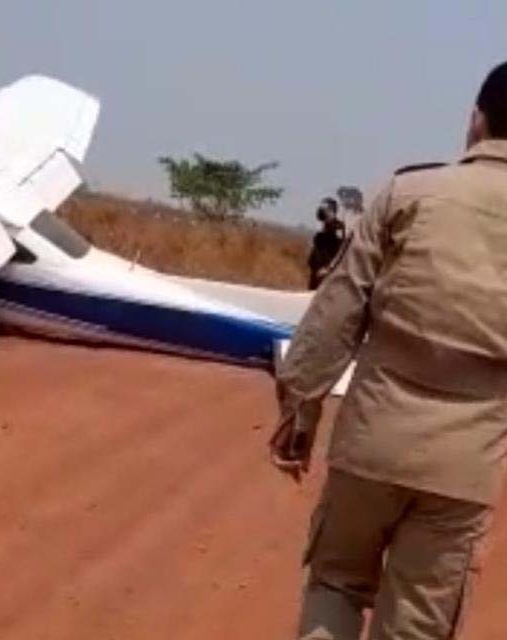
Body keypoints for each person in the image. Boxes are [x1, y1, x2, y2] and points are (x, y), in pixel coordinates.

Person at [270, 60, 507, 639]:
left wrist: (299, 413)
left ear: (475, 120)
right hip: (464, 465)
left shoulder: (410, 193)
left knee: (335, 585)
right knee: (418, 627)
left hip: (372, 440)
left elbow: (336, 313)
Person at [306, 199, 345, 290]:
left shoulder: (338, 229)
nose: (321, 210)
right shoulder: (322, 229)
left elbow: (341, 252)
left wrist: (328, 268)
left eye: (325, 209)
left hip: (327, 275)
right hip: (316, 273)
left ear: (332, 211)